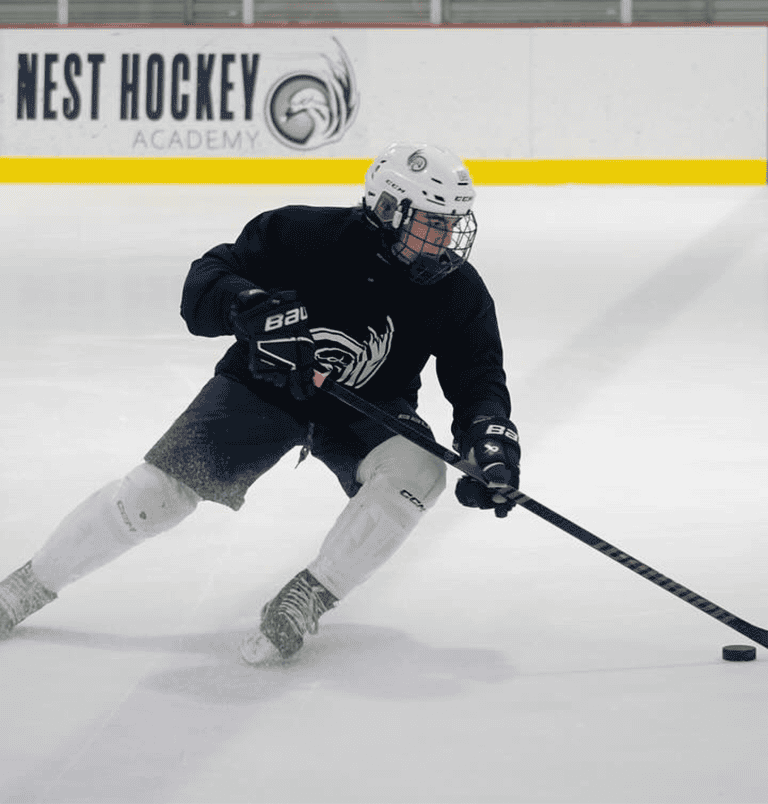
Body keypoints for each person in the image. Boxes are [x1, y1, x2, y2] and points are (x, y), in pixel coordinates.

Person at [0, 142, 521, 664]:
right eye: (432, 223)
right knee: (153, 495)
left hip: (366, 406)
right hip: (263, 388)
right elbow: (203, 286)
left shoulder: (459, 290)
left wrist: (488, 439)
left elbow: (478, 376)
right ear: (387, 209)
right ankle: (28, 585)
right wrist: (246, 307)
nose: (446, 238)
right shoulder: (299, 234)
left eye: (452, 223)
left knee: (421, 471)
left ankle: (310, 595)